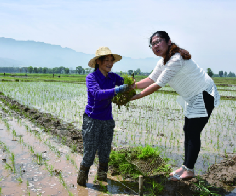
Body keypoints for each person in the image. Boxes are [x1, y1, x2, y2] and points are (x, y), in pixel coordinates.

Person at [131, 31, 220, 181]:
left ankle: (189, 170)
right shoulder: (163, 62)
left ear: (168, 41)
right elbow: (150, 79)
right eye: (152, 44)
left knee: (192, 131)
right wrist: (133, 86)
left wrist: (137, 96)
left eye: (158, 41)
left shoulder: (176, 59)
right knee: (188, 129)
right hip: (192, 97)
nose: (155, 46)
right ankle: (185, 167)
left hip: (204, 94)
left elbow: (158, 84)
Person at [77, 46, 130, 186]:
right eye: (106, 60)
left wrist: (131, 85)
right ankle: (81, 183)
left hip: (107, 120)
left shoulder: (113, 77)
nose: (110, 63)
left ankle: (102, 179)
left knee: (105, 151)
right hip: (92, 120)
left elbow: (126, 83)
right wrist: (117, 90)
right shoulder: (91, 78)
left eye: (111, 60)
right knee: (89, 153)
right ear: (98, 62)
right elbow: (97, 94)